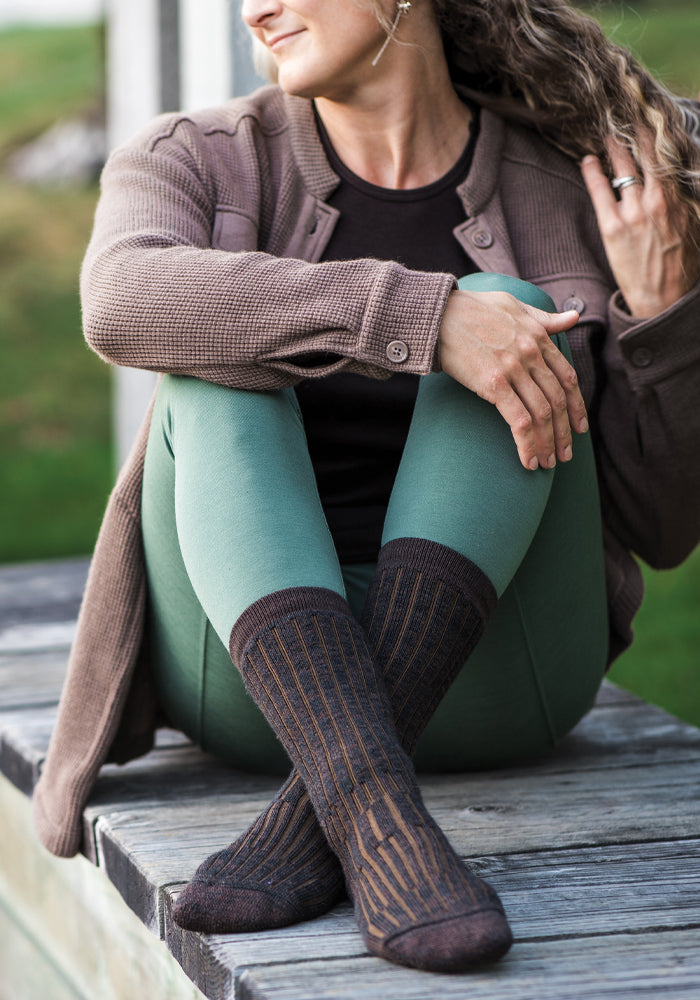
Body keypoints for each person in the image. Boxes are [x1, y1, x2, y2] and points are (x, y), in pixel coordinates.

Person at [33, 0, 700, 975]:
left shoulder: (578, 182)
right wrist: (421, 319)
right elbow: (122, 299)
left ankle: (332, 801)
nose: (254, 8)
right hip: (244, 683)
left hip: (502, 673)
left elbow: (662, 524)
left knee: (508, 316)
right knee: (213, 365)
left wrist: (666, 311)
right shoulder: (194, 155)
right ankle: (370, 803)